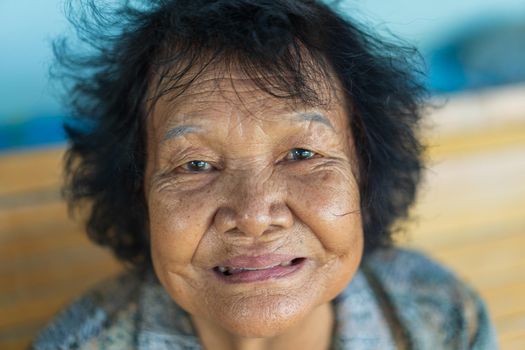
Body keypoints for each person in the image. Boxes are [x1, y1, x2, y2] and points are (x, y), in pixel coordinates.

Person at [32, 0, 497, 349]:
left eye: (301, 153)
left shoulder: (440, 319)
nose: (255, 215)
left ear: (365, 173)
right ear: (140, 196)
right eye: (196, 164)